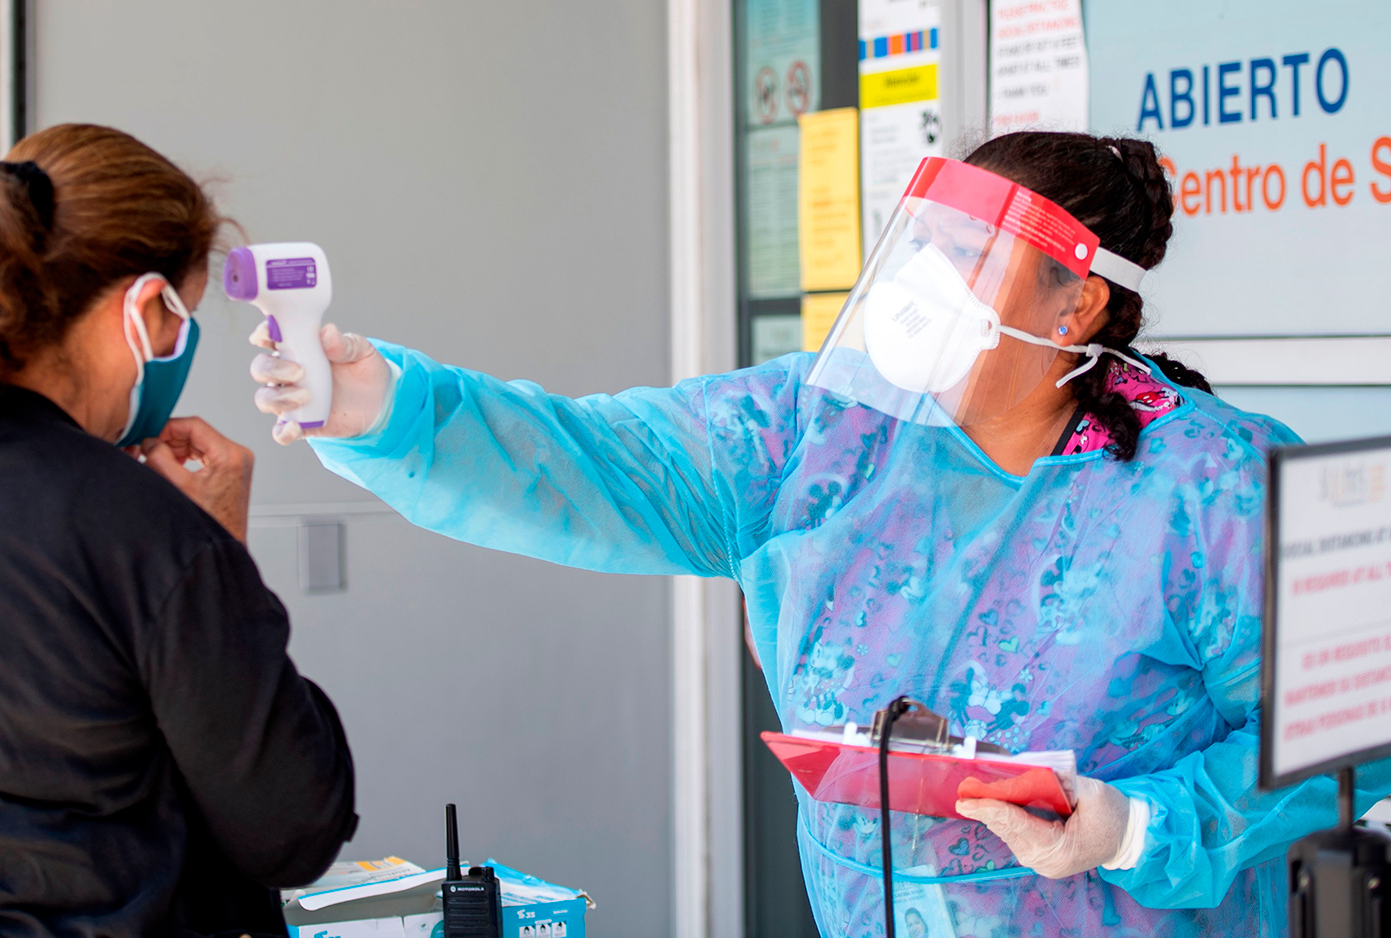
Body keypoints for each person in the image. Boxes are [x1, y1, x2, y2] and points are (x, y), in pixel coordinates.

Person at [249, 129, 1389, 936]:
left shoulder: (1211, 482)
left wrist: (1137, 825)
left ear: (1073, 303)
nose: (921, 291)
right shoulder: (816, 430)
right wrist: (382, 407)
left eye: (967, 259)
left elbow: (1348, 733)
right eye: (922, 251)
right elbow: (598, 462)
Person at [0, 123, 356, 937]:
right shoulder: (143, 531)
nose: (176, 351)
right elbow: (291, 826)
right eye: (181, 320)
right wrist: (223, 559)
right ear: (141, 307)